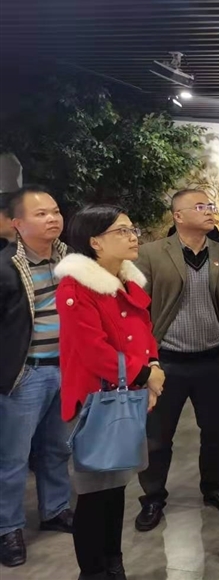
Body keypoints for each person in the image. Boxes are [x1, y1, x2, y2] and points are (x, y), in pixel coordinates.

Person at [55, 205, 167, 580]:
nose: (133, 236)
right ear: (95, 242)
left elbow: (144, 331)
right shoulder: (76, 287)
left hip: (126, 395)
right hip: (94, 402)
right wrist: (144, 375)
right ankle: (93, 570)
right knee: (93, 494)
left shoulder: (126, 281)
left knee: (116, 488)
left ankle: (113, 561)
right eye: (122, 231)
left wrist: (152, 366)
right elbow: (93, 350)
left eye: (133, 229)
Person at [134, 189, 219, 532]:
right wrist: (147, 360)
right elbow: (138, 310)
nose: (209, 211)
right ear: (178, 216)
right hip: (168, 362)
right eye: (200, 206)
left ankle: (215, 488)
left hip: (215, 359)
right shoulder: (150, 254)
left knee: (216, 431)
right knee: (158, 436)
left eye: (210, 206)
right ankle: (153, 497)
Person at [0, 185, 73, 568]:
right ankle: (8, 528)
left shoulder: (70, 260)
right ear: (17, 223)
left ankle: (55, 509)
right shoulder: (5, 268)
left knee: (57, 449)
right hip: (24, 376)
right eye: (41, 213)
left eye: (55, 211)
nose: (52, 219)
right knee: (12, 458)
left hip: (66, 370)